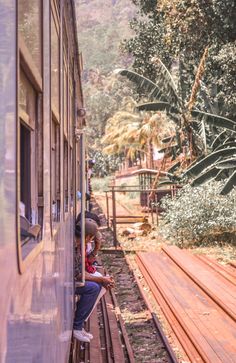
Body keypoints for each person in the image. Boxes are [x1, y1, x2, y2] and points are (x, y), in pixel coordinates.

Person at [73, 220, 114, 342]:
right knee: (94, 288)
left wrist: (97, 247)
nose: (90, 241)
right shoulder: (76, 247)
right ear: (87, 236)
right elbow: (79, 274)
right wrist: (101, 279)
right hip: (68, 281)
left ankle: (79, 325)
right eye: (91, 239)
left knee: (98, 284)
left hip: (73, 277)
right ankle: (77, 327)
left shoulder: (80, 245)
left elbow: (84, 267)